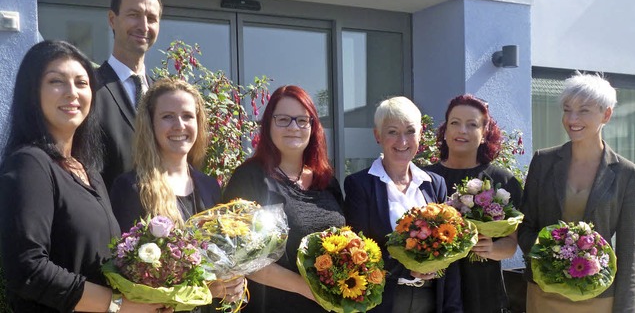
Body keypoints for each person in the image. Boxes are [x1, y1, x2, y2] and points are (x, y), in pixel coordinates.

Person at [0, 40, 169, 312]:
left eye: (81, 83)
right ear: (32, 92)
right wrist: (119, 305)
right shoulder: (29, 164)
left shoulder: (89, 171)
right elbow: (28, 269)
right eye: (57, 82)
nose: (72, 93)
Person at [109, 78, 245, 309]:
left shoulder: (210, 186)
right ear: (150, 124)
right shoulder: (131, 188)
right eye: (167, 116)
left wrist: (233, 281)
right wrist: (204, 291)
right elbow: (127, 278)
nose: (179, 125)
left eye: (187, 116)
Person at [518, 73, 635, 313]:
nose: (572, 119)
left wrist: (626, 309)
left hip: (598, 298)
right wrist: (553, 257)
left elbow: (628, 250)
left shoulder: (628, 174)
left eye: (584, 110)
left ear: (606, 114)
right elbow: (525, 225)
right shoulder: (543, 162)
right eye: (567, 109)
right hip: (545, 293)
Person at [222, 85, 345, 313]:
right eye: (283, 119)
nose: (293, 127)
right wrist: (309, 289)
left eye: (302, 120)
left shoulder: (326, 180)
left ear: (312, 127)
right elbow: (242, 257)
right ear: (268, 124)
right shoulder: (250, 178)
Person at [344, 96, 463, 313]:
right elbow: (360, 253)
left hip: (430, 300)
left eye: (410, 131)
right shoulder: (359, 185)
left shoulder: (435, 184)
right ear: (377, 135)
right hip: (384, 302)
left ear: (420, 134)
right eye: (392, 132)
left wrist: (453, 308)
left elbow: (451, 253)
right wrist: (410, 269)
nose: (403, 142)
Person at [424, 94, 523, 313]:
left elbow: (511, 244)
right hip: (432, 289)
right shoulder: (424, 179)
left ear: (485, 132)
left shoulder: (502, 181)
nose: (462, 131)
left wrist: (491, 248)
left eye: (472, 124)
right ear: (445, 129)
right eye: (455, 123)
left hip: (483, 292)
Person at [96, 0, 162, 190]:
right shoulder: (89, 90)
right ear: (112, 19)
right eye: (134, 15)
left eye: (151, 18)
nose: (143, 26)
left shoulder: (161, 94)